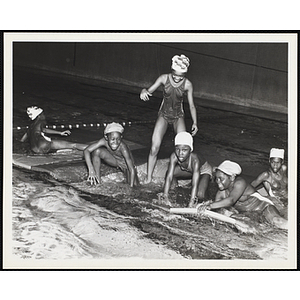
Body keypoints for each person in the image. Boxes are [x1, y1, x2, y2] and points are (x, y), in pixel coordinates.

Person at [140, 54, 198, 184]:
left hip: (178, 116)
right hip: (164, 115)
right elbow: (148, 90)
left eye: (180, 77)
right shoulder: (163, 78)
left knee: (183, 146)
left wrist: (195, 122)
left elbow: (192, 105)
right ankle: (149, 178)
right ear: (171, 71)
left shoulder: (188, 84)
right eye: (175, 75)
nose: (177, 78)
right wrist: (143, 91)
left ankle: (186, 171)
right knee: (154, 148)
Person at [199, 160, 288, 230]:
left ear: (232, 177)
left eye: (221, 179)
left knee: (277, 221)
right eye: (216, 179)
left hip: (264, 207)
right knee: (234, 221)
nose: (218, 182)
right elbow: (217, 209)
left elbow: (231, 200)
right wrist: (203, 207)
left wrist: (209, 206)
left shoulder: (240, 183)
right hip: (251, 214)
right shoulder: (221, 193)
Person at [159, 131, 212, 207]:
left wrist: (191, 202)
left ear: (190, 150)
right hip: (189, 170)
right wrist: (165, 195)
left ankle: (205, 196)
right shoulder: (174, 156)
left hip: (203, 171)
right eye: (178, 149)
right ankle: (175, 188)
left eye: (184, 150)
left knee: (200, 195)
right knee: (169, 173)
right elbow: (169, 177)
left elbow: (194, 184)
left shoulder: (195, 160)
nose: (180, 153)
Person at [83, 122, 139, 187]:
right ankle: (97, 181)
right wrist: (91, 169)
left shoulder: (123, 148)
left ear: (121, 137)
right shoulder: (103, 141)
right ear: (106, 137)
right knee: (97, 151)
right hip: (115, 161)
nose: (115, 142)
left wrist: (131, 187)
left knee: (135, 187)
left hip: (126, 166)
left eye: (118, 139)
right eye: (112, 139)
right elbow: (86, 150)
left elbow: (131, 169)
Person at [20, 106, 88, 154]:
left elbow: (23, 139)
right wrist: (60, 133)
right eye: (43, 114)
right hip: (44, 145)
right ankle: (91, 149)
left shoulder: (31, 126)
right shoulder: (41, 121)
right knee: (74, 145)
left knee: (56, 145)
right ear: (39, 115)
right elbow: (44, 130)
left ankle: (59, 150)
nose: (44, 115)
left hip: (35, 149)